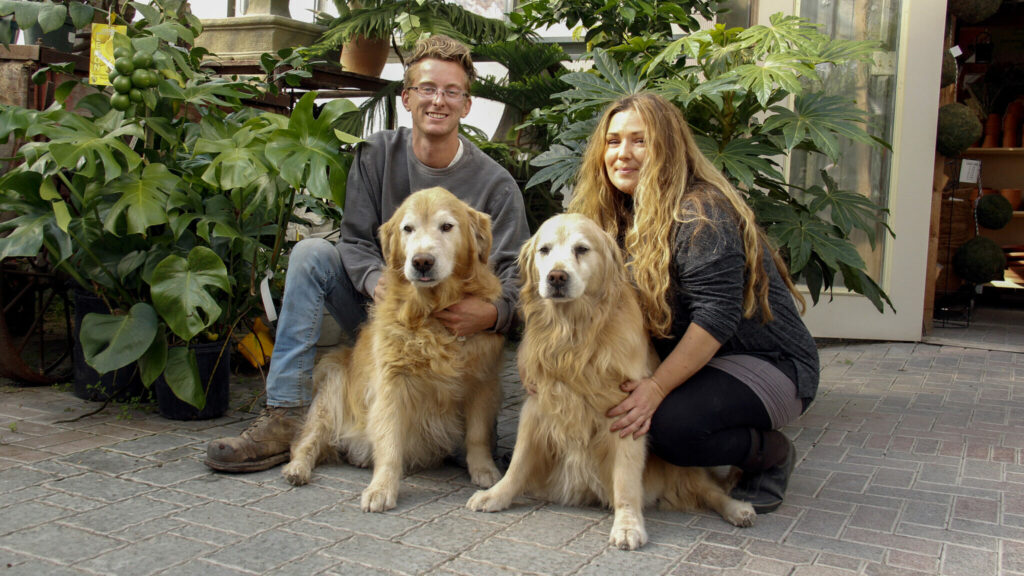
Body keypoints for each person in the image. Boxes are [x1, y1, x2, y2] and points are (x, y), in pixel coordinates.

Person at [205, 35, 530, 473]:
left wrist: (489, 316)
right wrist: (375, 281)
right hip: (383, 310)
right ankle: (284, 416)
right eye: (428, 89)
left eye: (452, 91)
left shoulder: (496, 185)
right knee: (311, 254)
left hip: (459, 326)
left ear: (466, 105)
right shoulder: (376, 155)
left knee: (458, 447)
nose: (439, 101)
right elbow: (356, 240)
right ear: (407, 97)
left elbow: (516, 276)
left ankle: (451, 432)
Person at [568, 92, 819, 513]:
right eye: (612, 142)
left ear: (668, 148)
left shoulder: (701, 212)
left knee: (669, 428)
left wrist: (657, 388)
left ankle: (770, 455)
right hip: (701, 363)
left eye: (639, 141)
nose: (622, 154)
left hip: (766, 362)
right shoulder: (614, 214)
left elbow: (716, 318)